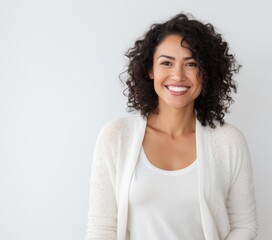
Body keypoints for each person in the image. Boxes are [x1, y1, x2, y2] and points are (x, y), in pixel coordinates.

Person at [85, 13, 258, 240]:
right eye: (166, 63)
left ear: (205, 73)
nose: (177, 75)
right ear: (150, 70)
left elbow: (244, 225)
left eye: (191, 64)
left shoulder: (229, 142)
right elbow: (101, 229)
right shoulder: (115, 137)